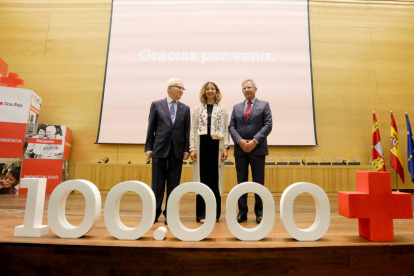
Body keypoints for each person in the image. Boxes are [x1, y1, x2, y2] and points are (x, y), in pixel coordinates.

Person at [145, 78, 191, 225]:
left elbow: (186, 131)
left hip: (177, 151)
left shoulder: (185, 108)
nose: (181, 91)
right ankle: (155, 212)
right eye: (179, 88)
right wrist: (149, 148)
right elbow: (151, 128)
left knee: (174, 184)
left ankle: (170, 214)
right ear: (170, 88)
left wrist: (186, 149)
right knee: (157, 184)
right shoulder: (157, 104)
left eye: (183, 89)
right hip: (159, 149)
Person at [228, 79, 272, 224]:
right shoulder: (236, 107)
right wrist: (240, 141)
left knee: (258, 182)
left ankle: (259, 213)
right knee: (241, 182)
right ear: (242, 91)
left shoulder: (264, 105)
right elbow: (231, 127)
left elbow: (268, 125)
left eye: (249, 87)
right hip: (240, 150)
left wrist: (254, 141)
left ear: (255, 89)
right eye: (244, 88)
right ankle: (242, 212)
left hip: (257, 149)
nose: (247, 90)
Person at [189, 82, 230, 222]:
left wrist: (225, 147)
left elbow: (226, 130)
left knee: (215, 181)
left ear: (216, 92)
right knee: (202, 181)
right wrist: (192, 148)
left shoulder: (222, 109)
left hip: (216, 148)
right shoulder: (197, 109)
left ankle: (215, 214)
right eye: (208, 89)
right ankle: (201, 214)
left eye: (213, 89)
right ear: (204, 92)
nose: (210, 91)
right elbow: (193, 129)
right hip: (201, 148)